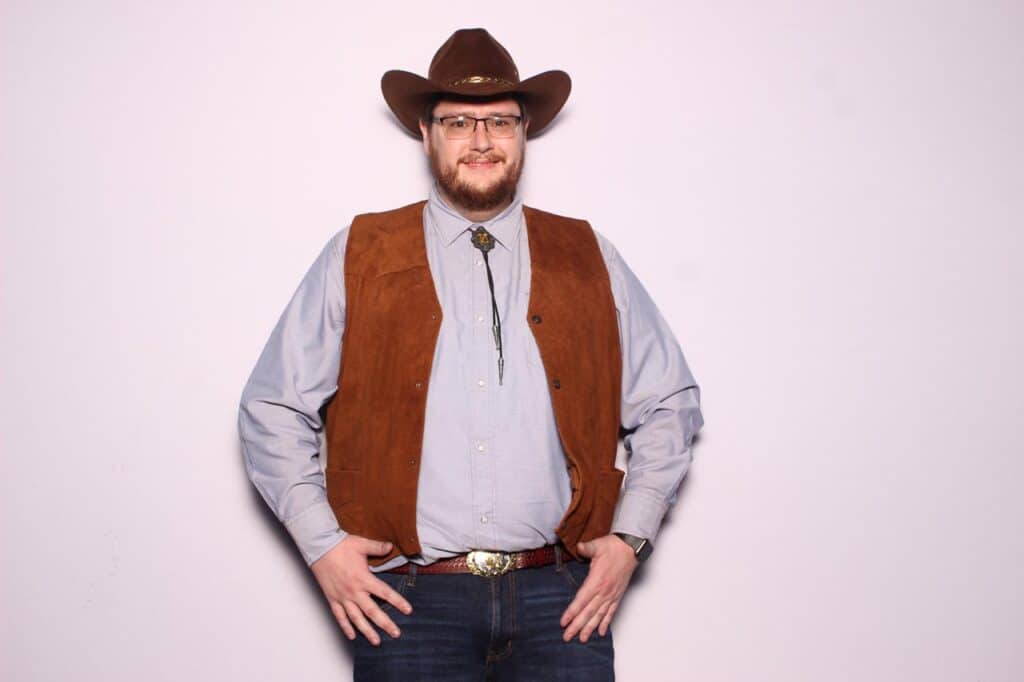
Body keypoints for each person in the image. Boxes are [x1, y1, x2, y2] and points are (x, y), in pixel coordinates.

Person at [238, 27, 703, 681]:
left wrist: (629, 539)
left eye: (500, 122)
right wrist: (323, 547)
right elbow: (272, 406)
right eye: (458, 122)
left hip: (561, 598)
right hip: (407, 602)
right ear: (427, 134)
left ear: (523, 133)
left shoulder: (588, 255)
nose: (481, 140)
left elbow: (669, 403)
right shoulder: (360, 251)